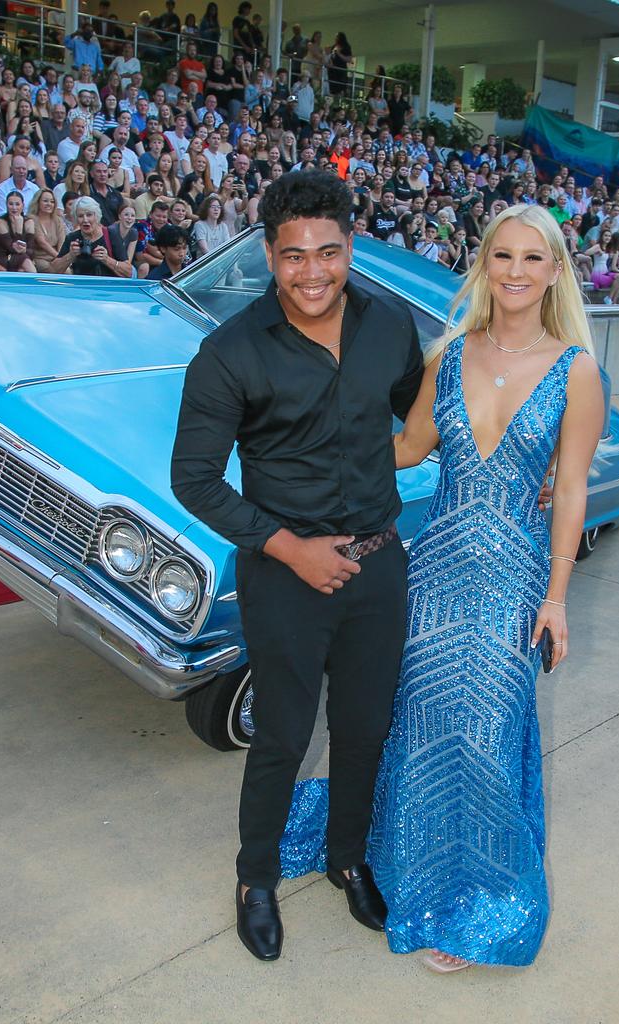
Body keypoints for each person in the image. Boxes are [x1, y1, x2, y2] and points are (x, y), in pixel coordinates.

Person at [338, 204, 604, 971]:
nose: (516, 272)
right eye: (502, 257)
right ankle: (406, 872)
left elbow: (575, 492)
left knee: (484, 739)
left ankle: (476, 903)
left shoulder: (575, 369)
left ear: (555, 271)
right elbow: (410, 446)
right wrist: (324, 428)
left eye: (532, 258)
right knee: (419, 728)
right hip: (437, 567)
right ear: (483, 266)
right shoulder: (449, 354)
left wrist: (555, 599)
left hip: (514, 575)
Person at [171, 171, 424, 961]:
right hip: (284, 572)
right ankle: (255, 879)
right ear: (266, 255)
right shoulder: (230, 351)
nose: (312, 273)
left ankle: (348, 856)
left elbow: (423, 420)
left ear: (351, 245)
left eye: (328, 252)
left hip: (380, 567)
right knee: (281, 735)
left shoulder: (391, 326)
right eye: (292, 257)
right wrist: (290, 549)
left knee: (363, 728)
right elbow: (195, 477)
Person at [0, 190, 37, 272]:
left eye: (17, 204)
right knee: (24, 260)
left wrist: (25, 250)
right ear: (6, 205)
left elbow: (31, 250)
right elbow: (13, 249)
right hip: (4, 258)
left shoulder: (29, 222)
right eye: (11, 204)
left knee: (22, 269)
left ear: (23, 205)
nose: (14, 208)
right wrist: (19, 230)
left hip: (21, 257)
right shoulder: (1, 222)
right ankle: (36, 281)